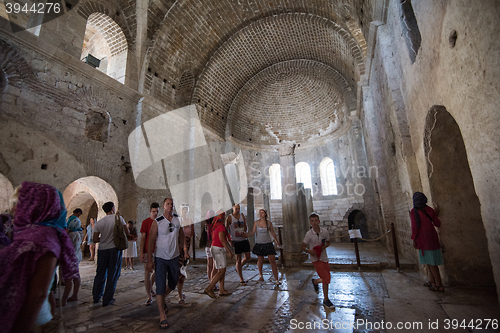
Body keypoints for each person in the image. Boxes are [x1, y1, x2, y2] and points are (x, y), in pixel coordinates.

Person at [0, 182, 79, 333]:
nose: (14, 209)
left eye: (18, 203)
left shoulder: (45, 238)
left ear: (35, 204)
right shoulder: (29, 234)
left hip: (29, 321)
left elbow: (38, 294)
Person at [147, 198, 188, 329]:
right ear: (164, 206)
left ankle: (161, 299)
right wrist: (149, 260)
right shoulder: (158, 222)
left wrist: (185, 249)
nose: (170, 206)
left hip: (174, 257)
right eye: (168, 204)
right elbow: (151, 241)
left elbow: (181, 234)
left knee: (173, 281)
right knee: (160, 284)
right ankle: (162, 315)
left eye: (172, 204)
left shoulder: (177, 219)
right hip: (161, 258)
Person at [92, 201, 129, 306]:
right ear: (113, 208)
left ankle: (96, 296)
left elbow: (95, 239)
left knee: (100, 273)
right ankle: (107, 298)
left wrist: (104, 239)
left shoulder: (100, 222)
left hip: (102, 250)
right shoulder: (119, 219)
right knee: (113, 274)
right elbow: (127, 233)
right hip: (114, 249)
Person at [410, 192, 444, 292]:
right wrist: (435, 214)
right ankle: (432, 281)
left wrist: (414, 239)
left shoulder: (414, 211)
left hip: (422, 239)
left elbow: (415, 227)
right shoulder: (429, 210)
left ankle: (439, 284)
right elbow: (437, 223)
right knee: (429, 260)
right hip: (433, 238)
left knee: (431, 262)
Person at [302, 212, 334, 309]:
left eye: (316, 220)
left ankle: (315, 281)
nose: (314, 223)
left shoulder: (324, 232)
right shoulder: (309, 234)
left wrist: (322, 247)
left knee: (327, 277)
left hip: (324, 257)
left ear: (319, 221)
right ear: (310, 222)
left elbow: (328, 242)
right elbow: (303, 246)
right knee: (326, 278)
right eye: (312, 221)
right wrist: (309, 251)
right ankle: (326, 299)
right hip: (315, 259)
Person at [246, 209, 281, 284]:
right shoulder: (256, 223)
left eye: (262, 213)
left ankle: (276, 279)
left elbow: (273, 233)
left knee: (272, 261)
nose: (261, 214)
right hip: (259, 244)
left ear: (265, 214)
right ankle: (260, 275)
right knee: (260, 260)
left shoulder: (269, 223)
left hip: (268, 243)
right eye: (260, 213)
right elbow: (253, 232)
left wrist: (277, 242)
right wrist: (246, 235)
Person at [204, 211, 234, 298]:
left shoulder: (215, 225)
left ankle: (221, 289)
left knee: (222, 270)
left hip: (215, 248)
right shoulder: (220, 226)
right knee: (221, 270)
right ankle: (209, 288)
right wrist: (229, 251)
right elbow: (222, 239)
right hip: (218, 249)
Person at [61, 208, 84, 305]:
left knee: (69, 278)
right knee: (76, 276)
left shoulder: (71, 235)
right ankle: (75, 295)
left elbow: (67, 246)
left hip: (71, 257)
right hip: (77, 255)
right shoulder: (79, 233)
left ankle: (64, 300)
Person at [226, 203, 251, 285]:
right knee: (238, 259)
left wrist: (245, 232)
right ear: (233, 208)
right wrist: (229, 240)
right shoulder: (230, 217)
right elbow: (226, 229)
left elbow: (245, 226)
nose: (238, 210)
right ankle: (241, 278)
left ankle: (238, 267)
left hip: (243, 239)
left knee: (248, 257)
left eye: (239, 208)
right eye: (236, 208)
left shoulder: (242, 215)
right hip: (235, 240)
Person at [140, 202, 159, 306]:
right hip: (148, 250)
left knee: (157, 271)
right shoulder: (146, 222)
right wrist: (141, 252)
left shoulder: (160, 222)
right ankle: (149, 296)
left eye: (157, 211)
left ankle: (151, 288)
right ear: (150, 211)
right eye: (154, 211)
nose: (155, 213)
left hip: (158, 250)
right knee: (147, 273)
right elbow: (143, 238)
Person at [177, 204, 193, 304]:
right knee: (178, 272)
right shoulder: (177, 221)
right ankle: (179, 294)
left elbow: (190, 237)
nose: (184, 211)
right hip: (178, 248)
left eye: (186, 209)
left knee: (182, 272)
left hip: (186, 247)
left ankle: (180, 292)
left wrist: (188, 251)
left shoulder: (190, 221)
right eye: (183, 209)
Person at [203, 210, 218, 289]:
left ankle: (211, 281)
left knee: (211, 264)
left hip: (209, 245)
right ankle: (212, 282)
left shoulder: (208, 224)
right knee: (212, 265)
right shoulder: (210, 225)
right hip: (211, 245)